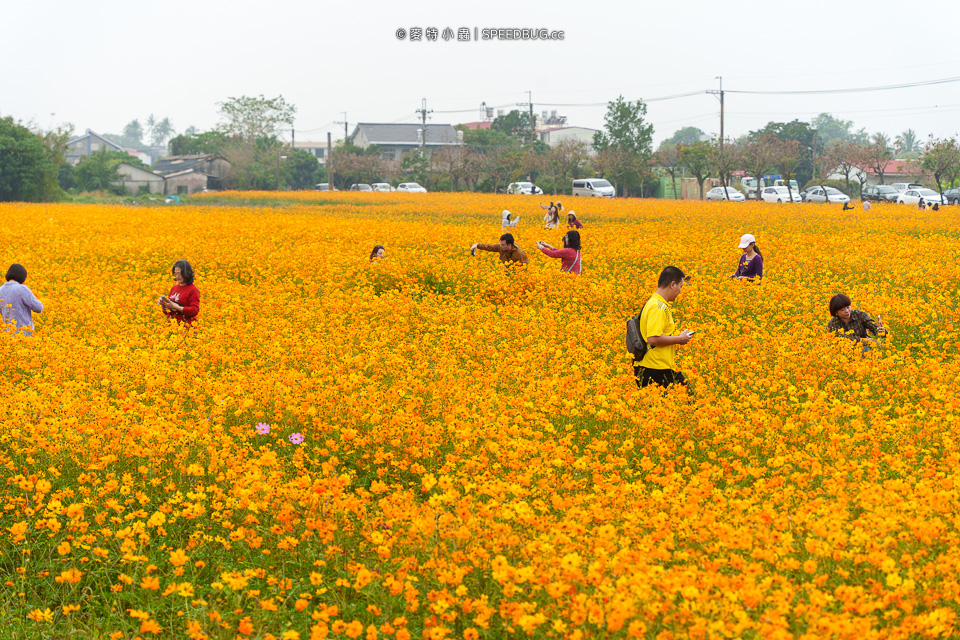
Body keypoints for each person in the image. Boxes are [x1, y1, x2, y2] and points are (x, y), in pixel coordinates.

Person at [634, 266, 694, 389]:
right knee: (688, 400)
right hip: (655, 369)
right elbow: (653, 339)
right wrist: (679, 339)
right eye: (680, 286)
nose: (680, 291)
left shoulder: (653, 302)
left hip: (652, 367)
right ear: (672, 284)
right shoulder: (658, 307)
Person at [0, 263, 43, 336]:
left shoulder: (0, 290)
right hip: (24, 333)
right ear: (22, 277)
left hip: (7, 335)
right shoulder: (22, 289)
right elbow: (39, 308)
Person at [158, 259, 200, 324]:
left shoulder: (193, 290)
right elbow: (167, 312)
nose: (177, 276)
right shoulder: (174, 288)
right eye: (175, 274)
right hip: (172, 327)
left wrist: (175, 307)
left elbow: (194, 311)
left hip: (187, 328)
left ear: (186, 273)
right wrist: (163, 304)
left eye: (180, 274)